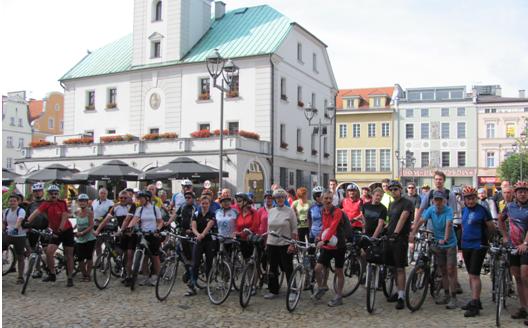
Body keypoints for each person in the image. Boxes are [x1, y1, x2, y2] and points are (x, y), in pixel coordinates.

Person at [410, 191, 458, 309]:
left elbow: (448, 224)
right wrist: (413, 232)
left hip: (449, 243)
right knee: (443, 270)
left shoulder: (448, 210)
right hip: (438, 243)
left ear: (444, 201)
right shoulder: (431, 209)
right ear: (433, 201)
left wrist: (445, 238)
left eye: (440, 200)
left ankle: (453, 297)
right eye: (436, 200)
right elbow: (421, 220)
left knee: (450, 270)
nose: (438, 202)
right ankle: (446, 294)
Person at [27, 184, 75, 287]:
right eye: (52, 193)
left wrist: (60, 229)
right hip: (55, 231)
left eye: (56, 193)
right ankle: (52, 273)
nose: (54, 195)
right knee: (49, 252)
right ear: (48, 194)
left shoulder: (62, 203)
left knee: (69, 254)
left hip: (66, 230)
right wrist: (27, 221)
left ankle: (70, 277)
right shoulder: (46, 204)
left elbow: (64, 217)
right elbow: (36, 212)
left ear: (58, 194)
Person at [460, 185, 495, 317]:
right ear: (464, 199)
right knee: (470, 274)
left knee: (474, 275)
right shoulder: (464, 210)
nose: (470, 201)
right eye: (468, 198)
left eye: (473, 198)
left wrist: (487, 240)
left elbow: (491, 227)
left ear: (476, 198)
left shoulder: (482, 210)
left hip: (478, 245)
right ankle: (476, 300)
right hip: (466, 245)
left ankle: (475, 304)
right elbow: (464, 225)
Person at [313, 190, 349, 306]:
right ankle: (322, 287)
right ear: (321, 199)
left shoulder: (337, 211)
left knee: (339, 271)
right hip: (327, 246)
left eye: (330, 198)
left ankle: (339, 296)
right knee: (317, 268)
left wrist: (324, 240)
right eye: (326, 198)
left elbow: (333, 227)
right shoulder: (323, 211)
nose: (328, 200)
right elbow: (325, 227)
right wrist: (319, 236)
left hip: (339, 245)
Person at [499, 181, 528, 321]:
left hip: (526, 247)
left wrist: (525, 243)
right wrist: (505, 236)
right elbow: (500, 219)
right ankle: (523, 308)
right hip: (513, 246)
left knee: (525, 277)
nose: (523, 194)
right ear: (515, 194)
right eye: (520, 192)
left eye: (525, 191)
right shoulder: (510, 207)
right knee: (517, 278)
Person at [385, 180, 414, 310]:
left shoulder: (407, 203)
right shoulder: (391, 204)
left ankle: (401, 297)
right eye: (391, 189)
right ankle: (398, 292)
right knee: (393, 268)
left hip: (400, 239)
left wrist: (396, 233)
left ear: (400, 189)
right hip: (390, 238)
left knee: (400, 268)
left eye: (395, 189)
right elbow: (390, 221)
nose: (393, 191)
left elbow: (403, 218)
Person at [265, 188, 298, 299]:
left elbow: (294, 229)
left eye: (282, 197)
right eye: (278, 197)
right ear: (275, 199)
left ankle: (292, 290)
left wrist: (292, 244)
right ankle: (273, 290)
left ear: (285, 198)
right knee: (272, 268)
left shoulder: (290, 211)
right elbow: (268, 228)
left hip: (285, 243)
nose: (280, 199)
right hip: (272, 243)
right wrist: (266, 242)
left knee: (288, 268)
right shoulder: (271, 211)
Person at [127, 190, 163, 286]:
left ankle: (157, 276)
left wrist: (157, 230)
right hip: (142, 235)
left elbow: (160, 222)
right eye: (139, 198)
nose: (140, 200)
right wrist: (129, 228)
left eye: (141, 198)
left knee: (155, 257)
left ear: (147, 198)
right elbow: (134, 220)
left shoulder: (155, 209)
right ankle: (145, 276)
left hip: (153, 235)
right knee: (144, 257)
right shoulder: (140, 209)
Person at [186, 195, 217, 296]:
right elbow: (193, 226)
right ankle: (193, 285)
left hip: (208, 240)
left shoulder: (212, 214)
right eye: (203, 203)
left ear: (209, 204)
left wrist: (202, 234)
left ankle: (209, 285)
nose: (204, 205)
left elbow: (209, 226)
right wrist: (197, 234)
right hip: (198, 240)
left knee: (209, 263)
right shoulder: (196, 213)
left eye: (206, 203)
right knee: (195, 263)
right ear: (200, 204)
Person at [2, 194, 28, 284]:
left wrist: (16, 229)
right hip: (8, 235)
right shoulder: (6, 211)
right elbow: (4, 223)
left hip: (19, 236)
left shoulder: (21, 211)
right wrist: (3, 230)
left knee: (20, 256)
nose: (12, 202)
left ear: (18, 202)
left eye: (14, 201)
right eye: (11, 201)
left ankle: (20, 277)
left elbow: (19, 220)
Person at [25, 182, 48, 278]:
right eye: (35, 191)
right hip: (33, 230)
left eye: (39, 191)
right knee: (34, 250)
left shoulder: (47, 203)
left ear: (42, 192)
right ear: (33, 193)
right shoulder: (31, 205)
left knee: (47, 250)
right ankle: (37, 269)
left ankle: (49, 268)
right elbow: (27, 218)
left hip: (45, 229)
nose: (37, 193)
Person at [74, 194, 96, 282]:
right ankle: (84, 274)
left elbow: (91, 226)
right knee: (80, 258)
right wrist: (72, 229)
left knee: (89, 257)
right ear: (78, 202)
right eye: (80, 201)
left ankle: (88, 274)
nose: (82, 203)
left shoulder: (89, 212)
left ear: (87, 203)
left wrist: (82, 232)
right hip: (80, 238)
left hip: (89, 237)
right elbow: (77, 223)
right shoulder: (77, 212)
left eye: (84, 201)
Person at [92, 188, 114, 257]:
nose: (103, 194)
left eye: (104, 193)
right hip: (95, 225)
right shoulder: (94, 201)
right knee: (97, 244)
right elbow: (92, 212)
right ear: (99, 194)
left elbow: (109, 213)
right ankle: (98, 262)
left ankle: (109, 262)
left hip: (106, 226)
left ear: (107, 194)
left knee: (109, 245)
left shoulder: (110, 202)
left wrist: (100, 219)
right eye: (101, 193)